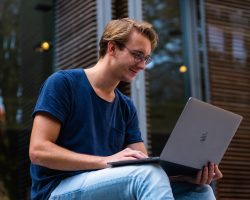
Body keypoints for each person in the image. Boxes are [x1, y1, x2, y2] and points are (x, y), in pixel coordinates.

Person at [29, 18, 223, 200]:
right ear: (112, 48)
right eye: (137, 55)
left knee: (199, 190)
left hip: (105, 185)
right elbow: (38, 151)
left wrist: (183, 177)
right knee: (147, 174)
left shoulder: (125, 106)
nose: (142, 65)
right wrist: (105, 161)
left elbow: (144, 166)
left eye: (146, 59)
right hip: (56, 190)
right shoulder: (63, 84)